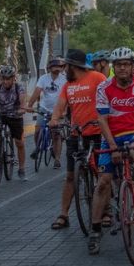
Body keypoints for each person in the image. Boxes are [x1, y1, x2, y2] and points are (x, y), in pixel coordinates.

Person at [89, 47, 134, 255]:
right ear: (113, 67)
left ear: (133, 66)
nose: (122, 68)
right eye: (118, 65)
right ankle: (95, 230)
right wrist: (112, 146)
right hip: (111, 136)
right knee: (103, 184)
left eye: (126, 64)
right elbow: (102, 119)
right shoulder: (104, 87)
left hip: (133, 133)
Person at [47, 49, 105, 231]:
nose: (64, 69)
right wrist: (54, 119)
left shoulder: (97, 78)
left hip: (97, 133)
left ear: (74, 66)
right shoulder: (67, 85)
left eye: (66, 66)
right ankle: (64, 214)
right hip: (76, 134)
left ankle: (107, 210)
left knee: (102, 175)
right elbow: (60, 105)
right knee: (71, 176)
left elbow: (108, 98)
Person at [25, 57, 67, 169]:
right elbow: (37, 92)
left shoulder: (64, 80)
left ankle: (57, 159)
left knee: (56, 135)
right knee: (37, 130)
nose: (57, 68)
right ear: (50, 67)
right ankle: (37, 147)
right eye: (55, 66)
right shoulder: (43, 78)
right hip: (44, 108)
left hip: (58, 111)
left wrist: (65, 111)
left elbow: (67, 95)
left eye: (59, 66)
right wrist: (29, 106)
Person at [0, 65, 27, 179]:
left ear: (13, 78)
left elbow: (23, 102)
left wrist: (22, 109)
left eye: (8, 78)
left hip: (15, 115)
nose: (5, 81)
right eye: (3, 78)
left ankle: (22, 168)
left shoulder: (19, 88)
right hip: (1, 114)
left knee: (20, 143)